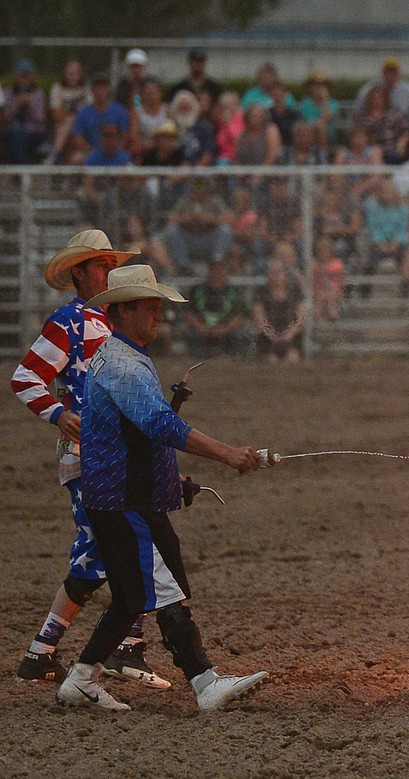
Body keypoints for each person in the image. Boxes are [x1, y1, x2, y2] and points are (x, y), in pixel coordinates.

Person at [54, 264, 267, 711]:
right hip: (124, 500)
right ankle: (206, 684)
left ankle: (80, 677)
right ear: (122, 310)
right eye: (151, 307)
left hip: (122, 496)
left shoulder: (123, 357)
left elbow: (139, 435)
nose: (159, 316)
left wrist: (174, 480)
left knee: (132, 595)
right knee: (165, 589)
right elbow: (159, 425)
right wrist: (227, 453)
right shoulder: (125, 366)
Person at [10, 230, 170, 689]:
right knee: (104, 550)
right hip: (87, 455)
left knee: (129, 543)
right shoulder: (70, 321)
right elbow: (26, 378)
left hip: (113, 454)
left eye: (109, 264)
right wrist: (59, 413)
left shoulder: (106, 324)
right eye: (99, 264)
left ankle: (121, 647)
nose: (107, 271)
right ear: (78, 272)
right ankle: (48, 650)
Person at [160, 178, 233, 274]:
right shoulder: (185, 201)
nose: (198, 190)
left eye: (202, 187)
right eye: (196, 187)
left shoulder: (216, 201)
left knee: (225, 230)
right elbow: (170, 219)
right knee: (172, 230)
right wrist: (185, 219)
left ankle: (217, 261)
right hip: (189, 240)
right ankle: (183, 266)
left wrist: (210, 219)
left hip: (209, 239)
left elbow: (229, 218)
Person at [183, 260, 251, 357]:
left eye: (220, 270)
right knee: (193, 335)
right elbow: (188, 312)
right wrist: (202, 328)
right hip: (201, 329)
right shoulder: (196, 291)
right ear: (209, 272)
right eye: (214, 270)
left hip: (227, 329)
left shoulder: (234, 292)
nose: (217, 274)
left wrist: (225, 329)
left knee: (240, 335)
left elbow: (240, 315)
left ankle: (235, 362)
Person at [70, 72, 132, 165]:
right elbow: (78, 138)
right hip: (91, 152)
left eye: (102, 88)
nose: (99, 92)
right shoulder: (83, 113)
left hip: (116, 151)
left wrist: (114, 149)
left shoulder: (120, 111)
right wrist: (92, 151)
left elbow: (125, 135)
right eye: (96, 88)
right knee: (76, 159)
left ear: (108, 89)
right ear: (91, 90)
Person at [354, 57, 409, 135]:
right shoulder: (368, 89)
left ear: (399, 73)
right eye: (388, 72)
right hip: (373, 133)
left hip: (404, 134)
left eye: (394, 71)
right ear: (383, 72)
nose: (391, 75)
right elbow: (357, 114)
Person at [254, 260, 307, 362]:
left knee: (292, 358)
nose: (275, 276)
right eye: (272, 272)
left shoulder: (295, 292)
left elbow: (300, 318)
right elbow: (259, 317)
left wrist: (289, 334)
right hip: (268, 337)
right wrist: (272, 335)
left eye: (278, 272)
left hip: (291, 336)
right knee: (271, 360)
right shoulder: (261, 292)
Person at [3, 59, 48, 164]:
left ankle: (20, 171)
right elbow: (6, 118)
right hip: (13, 132)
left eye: (27, 76)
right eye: (22, 76)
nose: (24, 79)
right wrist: (17, 104)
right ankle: (22, 169)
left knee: (19, 139)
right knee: (16, 134)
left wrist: (31, 105)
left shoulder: (38, 92)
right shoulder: (9, 92)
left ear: (32, 77)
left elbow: (41, 119)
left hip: (34, 132)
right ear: (17, 76)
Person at [47, 59, 91, 165]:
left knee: (71, 121)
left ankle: (54, 155)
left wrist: (71, 116)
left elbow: (88, 114)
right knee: (67, 124)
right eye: (69, 73)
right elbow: (57, 116)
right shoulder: (57, 88)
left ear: (80, 74)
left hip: (83, 128)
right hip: (61, 128)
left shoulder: (87, 89)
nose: (72, 76)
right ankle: (59, 159)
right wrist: (72, 117)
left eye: (75, 73)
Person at [298, 70, 339, 148]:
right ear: (310, 87)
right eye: (315, 84)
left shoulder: (333, 103)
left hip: (328, 135)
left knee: (320, 126)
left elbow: (326, 118)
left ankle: (322, 155)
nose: (319, 87)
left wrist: (324, 101)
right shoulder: (305, 103)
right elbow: (305, 121)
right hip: (308, 132)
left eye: (322, 85)